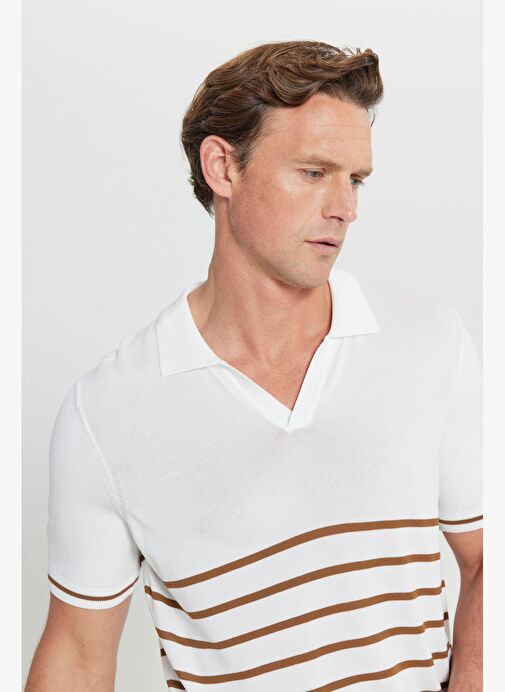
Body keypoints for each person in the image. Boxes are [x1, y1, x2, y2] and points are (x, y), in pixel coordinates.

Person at [25, 40, 483, 691]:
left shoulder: (427, 341)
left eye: (355, 179)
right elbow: (77, 655)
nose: (345, 207)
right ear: (222, 167)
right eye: (313, 172)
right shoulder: (107, 412)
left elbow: (487, 557)